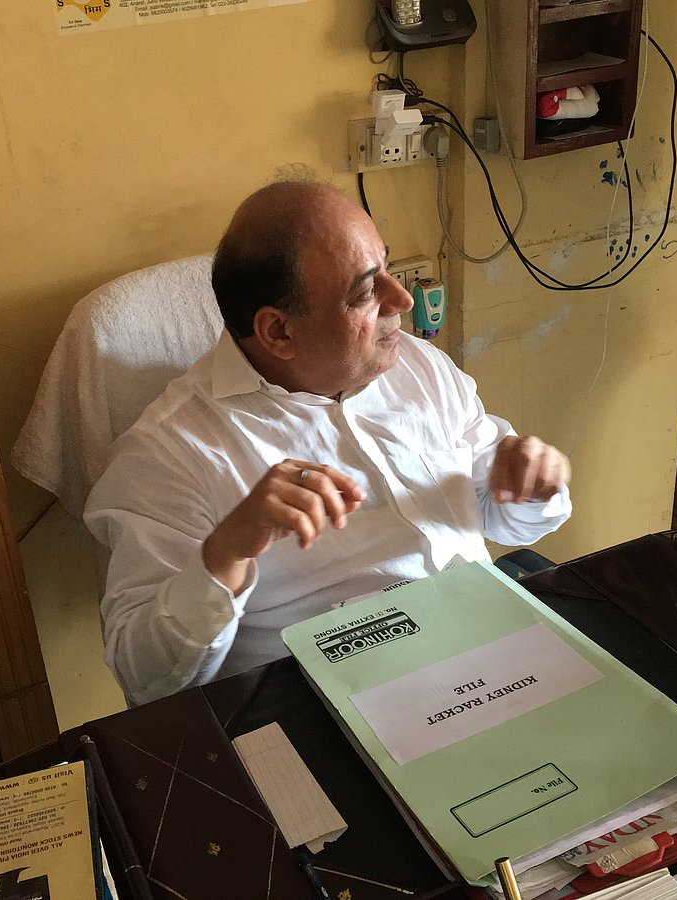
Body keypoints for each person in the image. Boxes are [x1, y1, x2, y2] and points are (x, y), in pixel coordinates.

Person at [85, 181, 571, 705]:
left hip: (487, 639)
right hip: (330, 698)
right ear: (277, 332)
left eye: (386, 266)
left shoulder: (420, 366)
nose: (403, 299)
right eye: (365, 292)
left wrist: (532, 485)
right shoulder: (172, 452)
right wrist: (225, 555)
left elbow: (505, 520)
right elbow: (144, 676)